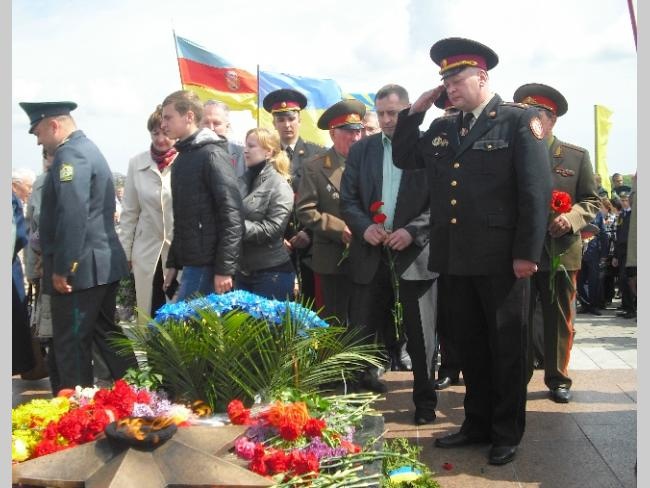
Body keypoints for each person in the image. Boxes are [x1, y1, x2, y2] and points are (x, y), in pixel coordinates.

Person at [391, 38, 551, 465]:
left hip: (502, 260)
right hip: (456, 258)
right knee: (470, 347)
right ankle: (476, 423)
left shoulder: (519, 121)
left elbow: (535, 193)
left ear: (482, 77)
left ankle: (506, 432)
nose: (450, 87)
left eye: (457, 79)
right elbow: (405, 157)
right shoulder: (443, 127)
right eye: (445, 81)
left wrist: (527, 253)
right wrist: (415, 112)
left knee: (506, 348)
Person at [18, 100, 138, 392]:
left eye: (38, 133)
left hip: (80, 271)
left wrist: (63, 266)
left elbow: (73, 213)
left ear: (53, 125)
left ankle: (75, 407)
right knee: (106, 335)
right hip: (95, 267)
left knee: (71, 343)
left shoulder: (70, 154)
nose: (38, 142)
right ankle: (139, 395)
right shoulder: (86, 149)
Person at [341, 84, 438, 420]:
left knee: (421, 334)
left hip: (415, 254)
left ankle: (425, 402)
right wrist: (363, 226)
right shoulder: (362, 150)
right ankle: (360, 393)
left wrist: (413, 231)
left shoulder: (429, 147)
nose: (386, 120)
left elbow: (441, 202)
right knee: (363, 327)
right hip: (371, 252)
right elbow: (348, 199)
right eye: (381, 113)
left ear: (408, 111)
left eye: (393, 113)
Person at [513, 83, 600, 404]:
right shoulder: (511, 152)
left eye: (539, 114)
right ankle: (517, 376)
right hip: (520, 252)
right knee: (518, 319)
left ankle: (558, 378)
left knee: (559, 319)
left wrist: (572, 218)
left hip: (560, 253)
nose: (532, 120)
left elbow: (592, 200)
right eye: (526, 113)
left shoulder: (575, 156)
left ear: (552, 119)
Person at [160, 90, 243, 301]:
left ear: (188, 116)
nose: (163, 125)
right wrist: (174, 263)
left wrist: (224, 269)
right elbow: (183, 219)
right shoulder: (182, 158)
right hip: (193, 263)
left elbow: (232, 215)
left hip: (209, 266)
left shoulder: (211, 154)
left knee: (184, 320)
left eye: (168, 118)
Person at [296, 99, 365, 325]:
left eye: (358, 131)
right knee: (334, 322)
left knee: (365, 321)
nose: (355, 137)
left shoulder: (370, 162)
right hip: (333, 259)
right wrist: (338, 229)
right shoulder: (315, 167)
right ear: (333, 133)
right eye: (349, 131)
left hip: (368, 257)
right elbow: (305, 210)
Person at [118, 105, 179, 323]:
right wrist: (125, 253)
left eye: (165, 133)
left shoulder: (186, 160)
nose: (161, 139)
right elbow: (129, 213)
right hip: (146, 253)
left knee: (177, 316)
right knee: (149, 314)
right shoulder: (136, 163)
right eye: (155, 133)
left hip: (179, 253)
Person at [263, 89, 325, 303]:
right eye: (281, 120)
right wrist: (275, 238)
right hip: (277, 245)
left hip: (310, 245)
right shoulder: (266, 155)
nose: (287, 125)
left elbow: (326, 199)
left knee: (310, 304)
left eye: (291, 118)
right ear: (274, 123)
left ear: (299, 119)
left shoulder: (317, 154)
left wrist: (309, 233)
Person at [235, 128, 295, 299]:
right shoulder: (241, 182)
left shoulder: (279, 185)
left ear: (268, 152)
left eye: (251, 146)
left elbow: (273, 229)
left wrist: (236, 226)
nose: (245, 150)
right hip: (243, 272)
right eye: (245, 145)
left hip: (272, 273)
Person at [200, 100, 246, 177]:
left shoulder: (241, 152)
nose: (211, 128)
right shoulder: (190, 153)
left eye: (216, 123)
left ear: (227, 126)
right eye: (206, 123)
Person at [613, 190, 634, 318]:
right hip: (621, 252)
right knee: (622, 280)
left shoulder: (633, 214)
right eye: (622, 200)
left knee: (628, 279)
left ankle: (632, 308)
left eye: (626, 200)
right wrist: (615, 255)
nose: (624, 202)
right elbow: (618, 235)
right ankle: (626, 306)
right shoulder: (621, 215)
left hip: (630, 251)